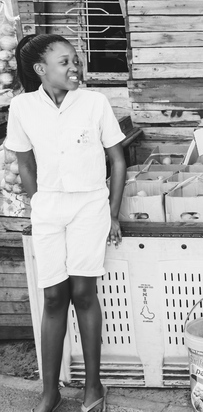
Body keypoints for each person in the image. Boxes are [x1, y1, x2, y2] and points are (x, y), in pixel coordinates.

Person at [5, 34, 126, 412]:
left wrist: (114, 213)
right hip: (48, 211)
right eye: (65, 61)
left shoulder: (95, 102)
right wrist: (39, 200)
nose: (75, 66)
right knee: (54, 297)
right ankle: (49, 391)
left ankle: (94, 387)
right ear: (41, 69)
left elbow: (117, 161)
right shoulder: (22, 107)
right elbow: (25, 163)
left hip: (90, 207)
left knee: (84, 293)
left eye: (76, 59)